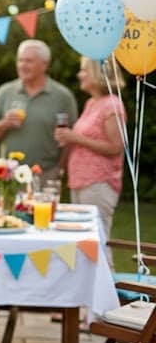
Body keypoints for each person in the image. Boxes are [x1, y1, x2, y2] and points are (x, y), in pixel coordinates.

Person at [0, 39, 78, 181]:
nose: (22, 65)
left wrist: (59, 169)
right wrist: (4, 123)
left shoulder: (62, 96)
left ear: (44, 65)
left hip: (46, 175)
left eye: (28, 61)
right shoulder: (5, 91)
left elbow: (71, 139)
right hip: (10, 176)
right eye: (20, 60)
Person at [57, 57, 126, 242]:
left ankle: (107, 272)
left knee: (98, 241)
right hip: (80, 182)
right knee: (81, 242)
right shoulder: (91, 103)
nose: (80, 75)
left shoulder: (113, 105)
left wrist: (75, 137)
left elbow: (117, 147)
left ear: (98, 73)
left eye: (84, 70)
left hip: (99, 183)